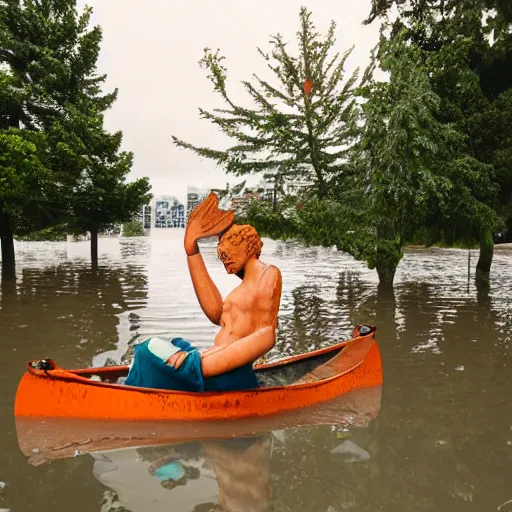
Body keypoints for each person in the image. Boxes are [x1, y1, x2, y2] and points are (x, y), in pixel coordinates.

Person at [125, 192, 282, 392]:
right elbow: (217, 313)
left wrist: (200, 365)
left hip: (227, 372)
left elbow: (266, 335)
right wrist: (192, 250)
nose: (224, 261)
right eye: (221, 257)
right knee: (163, 346)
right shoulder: (244, 291)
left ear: (243, 244)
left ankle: (137, 390)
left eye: (226, 253)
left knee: (147, 350)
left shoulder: (268, 273)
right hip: (215, 363)